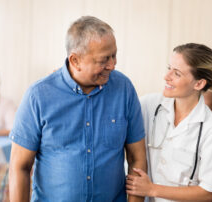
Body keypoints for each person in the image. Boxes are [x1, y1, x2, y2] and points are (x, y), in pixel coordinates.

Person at [9, 16, 146, 202]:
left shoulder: (124, 89)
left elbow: (136, 158)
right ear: (75, 60)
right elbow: (19, 166)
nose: (112, 65)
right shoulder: (38, 96)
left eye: (114, 55)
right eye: (104, 60)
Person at [126, 43, 212, 202]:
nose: (166, 76)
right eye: (169, 68)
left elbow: (209, 193)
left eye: (177, 73)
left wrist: (152, 189)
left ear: (199, 84)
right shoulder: (149, 105)